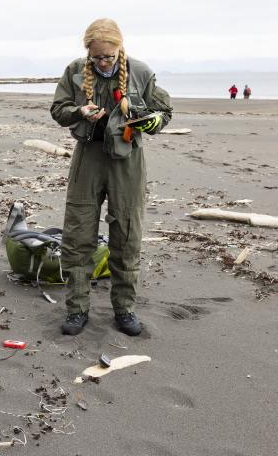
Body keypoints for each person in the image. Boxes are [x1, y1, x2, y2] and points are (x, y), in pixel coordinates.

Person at [50, 18, 172, 337]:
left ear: (120, 48)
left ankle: (124, 309)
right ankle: (77, 310)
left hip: (127, 162)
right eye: (97, 57)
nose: (103, 62)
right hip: (87, 160)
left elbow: (164, 112)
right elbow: (58, 109)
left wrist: (151, 122)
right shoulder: (75, 71)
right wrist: (79, 112)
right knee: (78, 235)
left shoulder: (141, 72)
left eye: (109, 56)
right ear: (88, 53)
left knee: (127, 236)